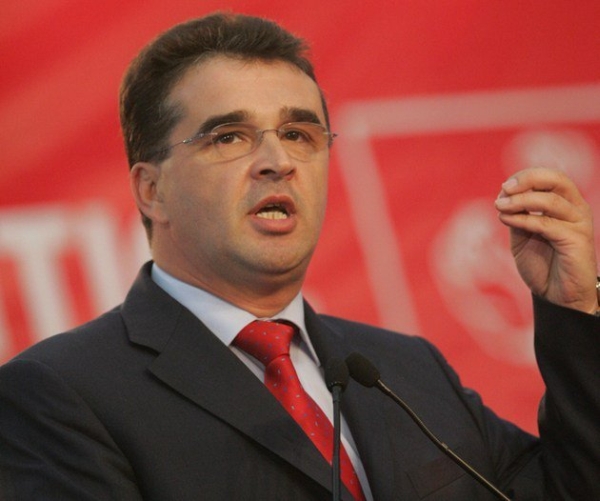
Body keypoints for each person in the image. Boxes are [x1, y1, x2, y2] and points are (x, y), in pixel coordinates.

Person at [0, 12, 598, 501]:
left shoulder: (406, 370)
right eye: (229, 137)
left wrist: (573, 309)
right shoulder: (60, 395)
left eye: (298, 135)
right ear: (152, 190)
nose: (278, 161)